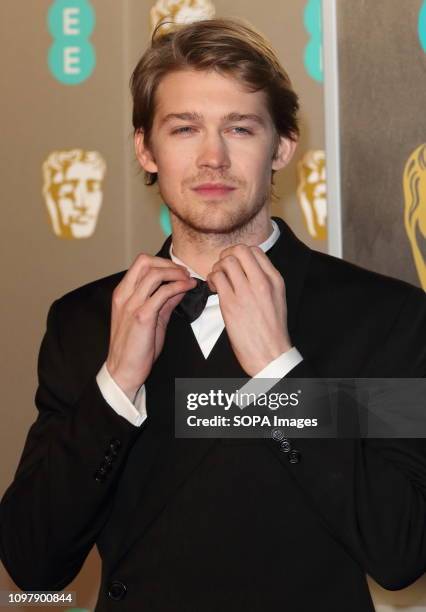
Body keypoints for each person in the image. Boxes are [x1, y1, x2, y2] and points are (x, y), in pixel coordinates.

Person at [1, 17, 426, 612]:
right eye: (184, 128)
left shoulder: (382, 316)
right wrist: (116, 385)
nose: (212, 157)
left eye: (240, 128)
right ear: (146, 149)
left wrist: (281, 377)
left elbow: (401, 550)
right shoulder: (85, 321)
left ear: (282, 145)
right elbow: (33, 564)